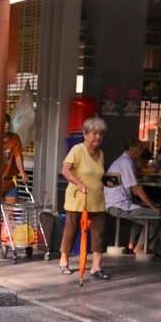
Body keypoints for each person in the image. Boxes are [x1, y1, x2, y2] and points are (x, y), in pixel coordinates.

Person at [60, 117, 110, 278]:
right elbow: (65, 170)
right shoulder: (77, 150)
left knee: (99, 232)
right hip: (77, 198)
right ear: (85, 134)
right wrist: (79, 184)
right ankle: (64, 260)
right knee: (71, 230)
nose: (98, 137)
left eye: (101, 134)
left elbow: (97, 174)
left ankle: (96, 266)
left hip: (97, 199)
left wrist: (107, 181)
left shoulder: (101, 154)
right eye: (94, 133)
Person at [105, 136, 161, 253]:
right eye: (140, 148)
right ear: (131, 149)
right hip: (118, 205)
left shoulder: (120, 161)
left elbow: (131, 188)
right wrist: (153, 206)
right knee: (156, 217)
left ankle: (132, 243)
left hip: (113, 203)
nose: (141, 151)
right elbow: (136, 189)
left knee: (141, 210)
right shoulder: (126, 162)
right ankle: (141, 248)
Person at [0, 113, 29, 204]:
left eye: (8, 122)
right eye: (4, 122)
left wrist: (22, 171)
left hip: (10, 181)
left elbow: (18, 155)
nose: (8, 124)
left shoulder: (14, 138)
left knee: (11, 214)